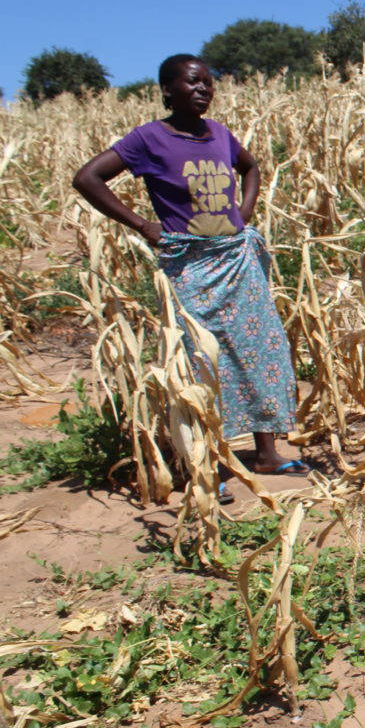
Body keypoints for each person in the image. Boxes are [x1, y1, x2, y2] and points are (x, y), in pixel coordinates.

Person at [73, 54, 310, 501]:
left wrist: (244, 212)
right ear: (166, 90)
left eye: (208, 82)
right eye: (191, 82)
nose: (203, 89)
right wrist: (143, 224)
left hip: (236, 260)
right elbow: (87, 178)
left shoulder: (219, 134)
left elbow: (251, 167)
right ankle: (211, 462)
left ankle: (266, 453)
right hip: (189, 267)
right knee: (201, 359)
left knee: (256, 350)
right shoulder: (148, 139)